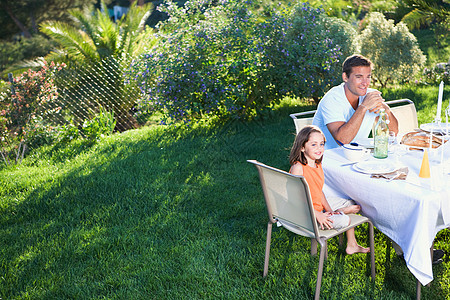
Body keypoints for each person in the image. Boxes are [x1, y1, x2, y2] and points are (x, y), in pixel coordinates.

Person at [289, 125, 369, 254]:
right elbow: (297, 197)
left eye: (321, 144)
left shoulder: (317, 164)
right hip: (305, 214)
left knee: (351, 204)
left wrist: (329, 210)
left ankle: (351, 244)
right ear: (302, 147)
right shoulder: (298, 168)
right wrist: (318, 214)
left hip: (316, 208)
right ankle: (340, 213)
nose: (319, 148)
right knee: (345, 220)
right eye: (314, 145)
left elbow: (319, 192)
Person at [312, 54, 399, 149]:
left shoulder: (369, 95)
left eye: (368, 77)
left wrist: (387, 111)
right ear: (345, 77)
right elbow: (342, 140)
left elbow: (393, 133)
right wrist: (363, 107)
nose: (365, 83)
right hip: (327, 158)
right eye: (359, 77)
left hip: (356, 154)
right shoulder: (332, 99)